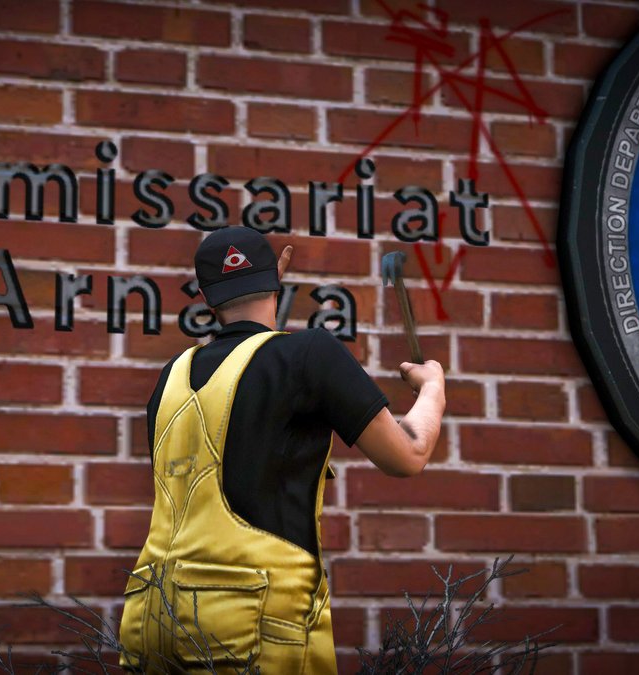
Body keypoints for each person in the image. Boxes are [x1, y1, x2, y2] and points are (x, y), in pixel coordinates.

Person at [118, 225, 446, 674]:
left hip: (152, 613)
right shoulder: (307, 354)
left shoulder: (171, 375)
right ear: (279, 277)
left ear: (207, 299)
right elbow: (407, 454)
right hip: (250, 621)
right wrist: (433, 391)